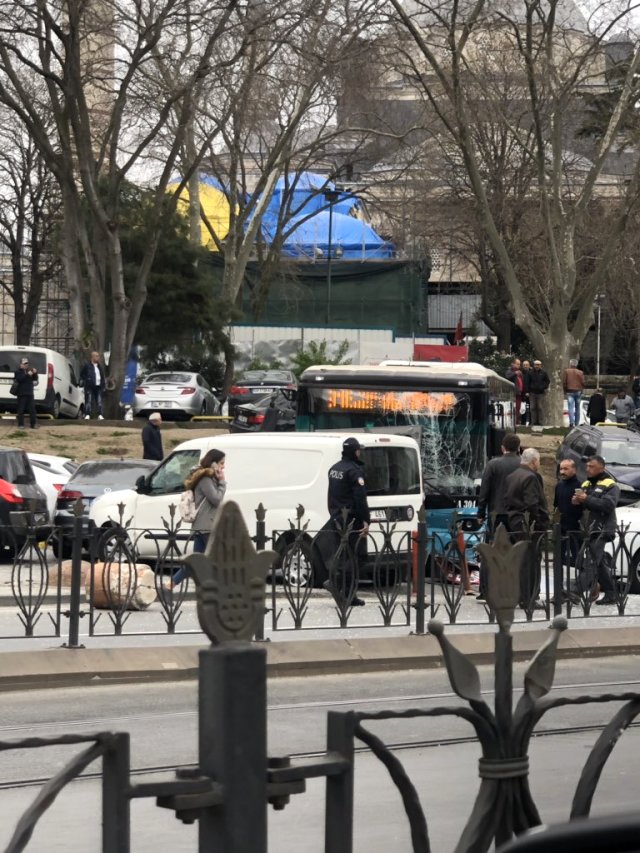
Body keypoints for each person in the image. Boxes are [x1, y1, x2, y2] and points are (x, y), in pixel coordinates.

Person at [320, 436, 370, 607]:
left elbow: (329, 496)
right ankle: (337, 584)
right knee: (357, 556)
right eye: (358, 450)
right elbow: (360, 499)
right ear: (355, 451)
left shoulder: (334, 469)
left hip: (337, 519)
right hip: (352, 521)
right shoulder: (355, 472)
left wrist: (333, 514)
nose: (359, 452)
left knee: (342, 555)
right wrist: (365, 520)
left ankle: (348, 594)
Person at [168, 449, 227, 588]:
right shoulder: (205, 479)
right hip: (207, 527)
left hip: (203, 526)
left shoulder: (209, 478)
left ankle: (169, 585)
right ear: (213, 463)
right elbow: (216, 499)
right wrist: (222, 482)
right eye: (221, 463)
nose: (223, 466)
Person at [476, 433, 522, 601]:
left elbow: (485, 490)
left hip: (497, 514)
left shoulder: (493, 464)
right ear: (518, 448)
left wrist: (480, 512)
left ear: (502, 447)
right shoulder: (523, 464)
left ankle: (485, 590)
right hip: (517, 516)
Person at [504, 447, 550, 607]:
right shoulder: (531, 477)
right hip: (527, 523)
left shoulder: (512, 476)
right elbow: (532, 502)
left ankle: (519, 594)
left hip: (515, 521)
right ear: (534, 461)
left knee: (521, 559)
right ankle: (528, 597)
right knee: (529, 560)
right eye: (538, 461)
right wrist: (539, 521)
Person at [571, 455, 619, 605]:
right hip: (588, 529)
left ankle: (574, 590)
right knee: (598, 563)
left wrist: (586, 499)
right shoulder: (586, 483)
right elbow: (584, 502)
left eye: (592, 466)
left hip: (602, 529)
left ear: (602, 468)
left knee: (591, 562)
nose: (588, 469)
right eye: (587, 466)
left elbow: (608, 505)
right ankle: (611, 594)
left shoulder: (611, 485)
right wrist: (576, 501)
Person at [554, 458, 583, 572]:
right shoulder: (559, 486)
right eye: (561, 469)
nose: (562, 472)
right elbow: (556, 506)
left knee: (578, 560)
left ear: (574, 470)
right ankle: (559, 586)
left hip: (576, 529)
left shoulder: (580, 486)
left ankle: (582, 584)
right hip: (561, 528)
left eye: (566, 469)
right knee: (558, 559)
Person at [14, 357, 38, 429]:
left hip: (30, 393)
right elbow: (20, 379)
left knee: (32, 410)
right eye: (24, 364)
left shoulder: (29, 371)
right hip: (21, 394)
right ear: (20, 364)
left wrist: (35, 373)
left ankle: (33, 424)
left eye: (26, 363)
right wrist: (28, 374)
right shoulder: (17, 372)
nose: (25, 365)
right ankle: (21, 424)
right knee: (21, 410)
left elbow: (35, 379)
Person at [80, 351, 106, 420]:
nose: (98, 357)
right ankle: (87, 414)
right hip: (89, 386)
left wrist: (103, 385)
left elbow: (102, 376)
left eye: (98, 356)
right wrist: (87, 379)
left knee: (99, 401)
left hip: (98, 386)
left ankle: (100, 414)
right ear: (92, 357)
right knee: (88, 400)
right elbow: (82, 374)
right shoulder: (87, 366)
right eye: (96, 356)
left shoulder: (99, 366)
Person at [563, 359, 585, 427]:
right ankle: (577, 423)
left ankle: (571, 422)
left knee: (570, 407)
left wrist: (565, 390)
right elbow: (583, 382)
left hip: (569, 391)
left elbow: (564, 382)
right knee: (577, 408)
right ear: (576, 364)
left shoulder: (566, 371)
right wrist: (581, 389)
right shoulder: (580, 372)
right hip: (578, 391)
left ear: (570, 364)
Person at [528, 360, 550, 427]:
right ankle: (533, 422)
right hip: (532, 393)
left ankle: (540, 422)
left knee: (540, 407)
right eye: (536, 364)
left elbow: (547, 381)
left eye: (538, 365)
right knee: (532, 407)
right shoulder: (530, 373)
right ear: (534, 365)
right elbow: (527, 382)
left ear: (540, 365)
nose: (537, 366)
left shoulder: (544, 373)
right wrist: (528, 391)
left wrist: (543, 387)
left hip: (541, 393)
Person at [505, 358, 524, 425]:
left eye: (519, 364)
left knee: (518, 409)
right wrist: (515, 373)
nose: (519, 365)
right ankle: (512, 423)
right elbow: (507, 377)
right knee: (512, 408)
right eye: (517, 364)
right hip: (512, 393)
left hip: (519, 393)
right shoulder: (510, 371)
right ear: (513, 364)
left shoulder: (520, 372)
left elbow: (522, 382)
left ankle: (517, 423)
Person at [520, 360, 532, 425]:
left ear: (529, 365)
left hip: (530, 393)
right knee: (522, 408)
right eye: (524, 365)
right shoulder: (520, 373)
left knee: (531, 409)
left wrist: (529, 392)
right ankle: (523, 422)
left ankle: (531, 422)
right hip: (522, 393)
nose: (525, 366)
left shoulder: (532, 372)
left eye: (526, 365)